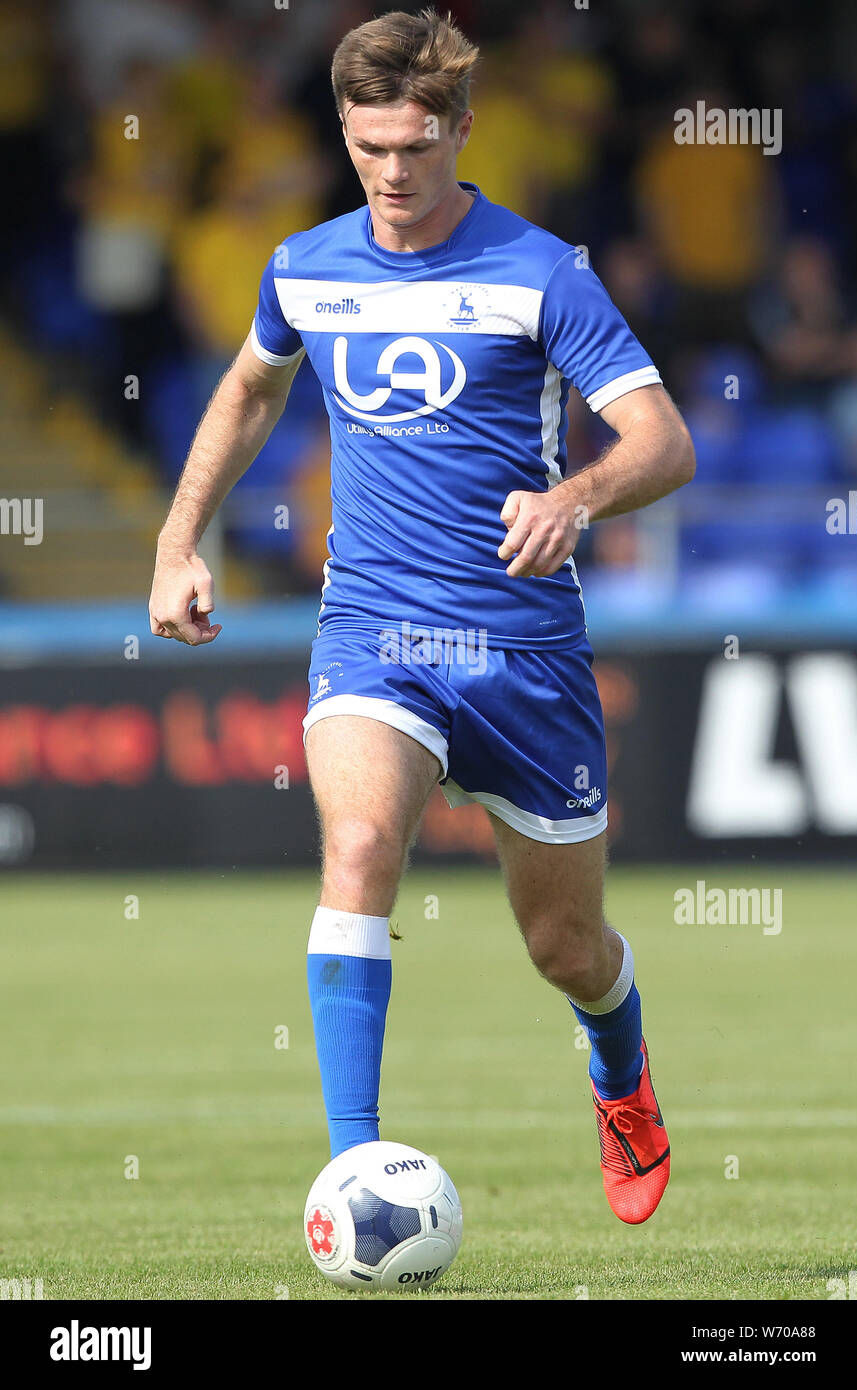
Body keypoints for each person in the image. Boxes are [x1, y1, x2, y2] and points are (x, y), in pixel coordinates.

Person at [148, 8, 695, 1226]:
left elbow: (663, 440)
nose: (391, 175)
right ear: (343, 133)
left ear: (457, 128)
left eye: (413, 147)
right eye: (367, 148)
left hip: (523, 652)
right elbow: (246, 389)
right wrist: (179, 539)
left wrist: (574, 495)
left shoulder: (541, 271)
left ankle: (619, 1070)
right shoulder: (305, 266)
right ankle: (353, 1172)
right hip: (374, 629)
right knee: (355, 852)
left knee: (565, 947)